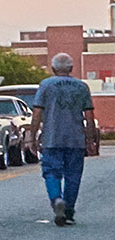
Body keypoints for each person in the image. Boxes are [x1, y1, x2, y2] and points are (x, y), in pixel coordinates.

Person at [33, 51, 93, 225]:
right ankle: (69, 210)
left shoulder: (45, 85)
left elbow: (37, 113)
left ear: (52, 68)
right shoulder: (82, 87)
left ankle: (56, 199)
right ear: (72, 68)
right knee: (73, 175)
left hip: (52, 138)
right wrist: (90, 140)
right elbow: (89, 115)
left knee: (51, 172)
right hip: (75, 139)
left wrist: (32, 136)